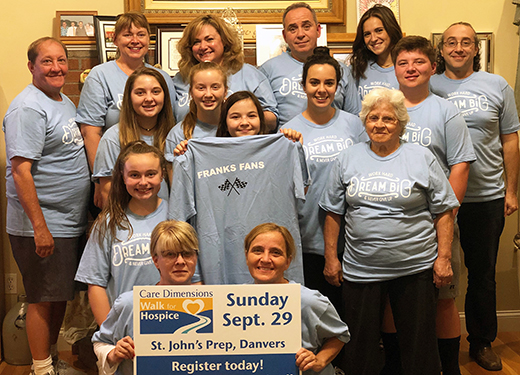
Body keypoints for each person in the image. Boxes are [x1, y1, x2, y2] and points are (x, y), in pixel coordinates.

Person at [320, 88, 459, 375]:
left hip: (416, 268)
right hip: (360, 270)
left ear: (401, 124)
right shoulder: (347, 158)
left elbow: (443, 211)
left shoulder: (422, 157)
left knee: (420, 347)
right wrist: (331, 258)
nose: (379, 124)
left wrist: (443, 258)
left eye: (388, 119)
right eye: (373, 118)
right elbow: (333, 212)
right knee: (360, 348)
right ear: (364, 121)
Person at [379, 35, 475, 375]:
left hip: (436, 221)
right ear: (394, 69)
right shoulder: (383, 109)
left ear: (433, 67)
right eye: (403, 63)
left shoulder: (445, 110)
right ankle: (396, 366)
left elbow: (461, 165)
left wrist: (446, 214)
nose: (410, 68)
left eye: (418, 62)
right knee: (393, 298)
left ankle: (449, 368)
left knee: (444, 299)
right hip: (392, 224)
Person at [430, 22, 520, 371]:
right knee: (440, 273)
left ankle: (481, 342)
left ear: (475, 48)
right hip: (440, 198)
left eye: (465, 42)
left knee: (483, 274)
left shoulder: (497, 85)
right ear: (441, 49)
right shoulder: (428, 85)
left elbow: (510, 140)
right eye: (451, 42)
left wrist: (511, 190)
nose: (458, 48)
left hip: (486, 197)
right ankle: (438, 343)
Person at [3, 37, 90, 375]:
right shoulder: (28, 107)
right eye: (47, 62)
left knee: (57, 295)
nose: (56, 68)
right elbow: (21, 171)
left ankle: (51, 359)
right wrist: (39, 226)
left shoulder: (63, 100)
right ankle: (41, 368)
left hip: (65, 221)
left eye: (61, 60)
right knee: (41, 297)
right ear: (31, 67)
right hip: (42, 223)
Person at [169, 91, 307, 285]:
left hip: (273, 265)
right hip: (219, 266)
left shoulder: (283, 147)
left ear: (262, 119)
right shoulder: (197, 154)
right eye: (235, 116)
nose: (244, 122)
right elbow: (179, 220)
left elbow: (303, 194)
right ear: (224, 122)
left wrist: (293, 146)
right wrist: (186, 156)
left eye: (252, 115)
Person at [281, 47, 366, 310]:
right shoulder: (288, 131)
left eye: (329, 83)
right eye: (314, 82)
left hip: (353, 240)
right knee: (316, 317)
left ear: (338, 87)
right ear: (303, 85)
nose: (321, 89)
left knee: (351, 317)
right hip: (309, 240)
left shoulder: (355, 125)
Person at [76, 11, 176, 208]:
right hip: (118, 177)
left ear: (149, 39)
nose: (135, 40)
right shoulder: (100, 75)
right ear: (115, 39)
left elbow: (169, 121)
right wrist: (100, 180)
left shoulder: (162, 77)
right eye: (127, 34)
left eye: (141, 34)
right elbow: (91, 132)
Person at [75, 141, 168, 326]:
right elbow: (95, 284)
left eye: (151, 174)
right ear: (123, 177)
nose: (143, 182)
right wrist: (109, 333)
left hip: (169, 324)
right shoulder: (108, 222)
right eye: (134, 175)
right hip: (123, 328)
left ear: (162, 175)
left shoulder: (176, 217)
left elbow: (193, 278)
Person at [92, 220, 199, 375]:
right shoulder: (130, 303)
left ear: (196, 258)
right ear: (156, 260)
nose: (180, 261)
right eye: (170, 254)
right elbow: (101, 343)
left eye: (187, 253)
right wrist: (113, 353)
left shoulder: (214, 304)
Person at [244, 223, 350, 375]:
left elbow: (340, 335)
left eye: (275, 253)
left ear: (288, 261)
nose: (265, 259)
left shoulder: (309, 300)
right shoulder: (234, 301)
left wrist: (320, 360)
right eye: (257, 251)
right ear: (247, 256)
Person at [259, 2, 360, 126]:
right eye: (292, 29)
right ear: (285, 36)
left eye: (306, 26)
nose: (300, 34)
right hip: (288, 142)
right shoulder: (267, 71)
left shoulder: (342, 70)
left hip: (334, 141)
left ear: (318, 30)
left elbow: (355, 119)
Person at [173, 14, 278, 130]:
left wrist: (240, 116)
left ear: (224, 41)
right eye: (196, 42)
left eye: (209, 39)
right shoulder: (180, 79)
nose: (203, 46)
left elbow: (272, 120)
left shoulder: (250, 74)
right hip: (188, 144)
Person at [93, 67, 174, 207]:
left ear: (165, 96)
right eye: (140, 93)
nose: (149, 98)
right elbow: (107, 193)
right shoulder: (112, 139)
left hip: (167, 221)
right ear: (129, 97)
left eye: (155, 91)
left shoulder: (174, 135)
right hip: (129, 223)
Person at [164, 62, 227, 162]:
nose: (208, 94)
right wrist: (178, 161)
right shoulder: (178, 135)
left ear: (225, 91)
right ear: (191, 93)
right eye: (201, 88)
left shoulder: (235, 129)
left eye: (215, 87)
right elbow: (174, 177)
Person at [349, 4, 402, 100]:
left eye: (379, 31)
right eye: (367, 34)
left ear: (391, 30)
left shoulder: (405, 68)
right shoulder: (357, 68)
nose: (373, 39)